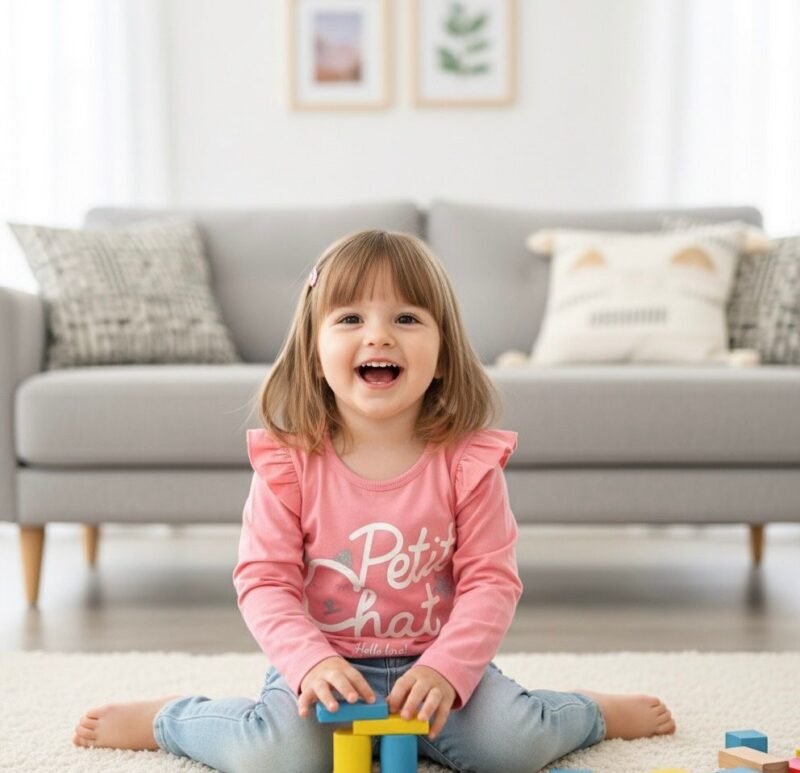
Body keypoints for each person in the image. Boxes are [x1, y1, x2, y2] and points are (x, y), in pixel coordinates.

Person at [72, 230, 675, 772]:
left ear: (442, 357)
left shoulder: (468, 463)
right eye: (351, 318)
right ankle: (171, 720)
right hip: (329, 667)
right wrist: (308, 663)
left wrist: (447, 670)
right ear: (314, 351)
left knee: (509, 747)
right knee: (279, 757)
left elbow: (491, 581)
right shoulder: (289, 464)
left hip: (439, 663)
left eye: (407, 318)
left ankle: (587, 713)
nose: (379, 334)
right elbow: (265, 582)